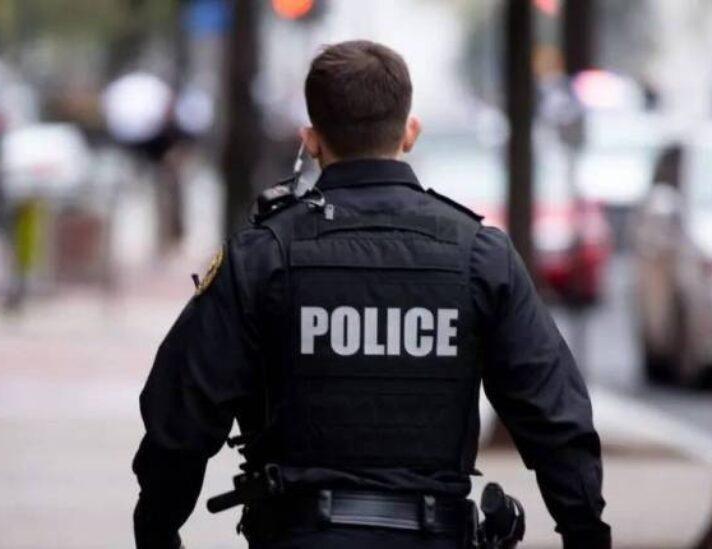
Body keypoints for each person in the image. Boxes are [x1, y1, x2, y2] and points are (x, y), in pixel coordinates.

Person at [133, 40, 611, 549]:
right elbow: (555, 417)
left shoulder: (262, 256)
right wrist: (584, 530)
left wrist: (157, 530)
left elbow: (181, 417)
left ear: (311, 140)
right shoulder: (479, 255)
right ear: (410, 132)